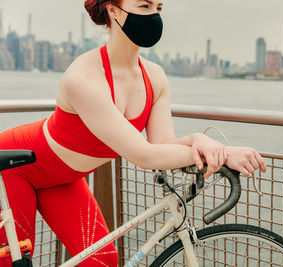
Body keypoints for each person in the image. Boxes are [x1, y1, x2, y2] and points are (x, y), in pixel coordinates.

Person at [0, 0, 267, 266]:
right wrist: (225, 154)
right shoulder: (84, 77)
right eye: (143, 6)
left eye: (158, 8)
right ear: (112, 10)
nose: (153, 15)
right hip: (14, 167)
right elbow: (145, 156)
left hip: (65, 177)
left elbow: (163, 144)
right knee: (14, 261)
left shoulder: (155, 77)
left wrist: (200, 140)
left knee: (101, 260)